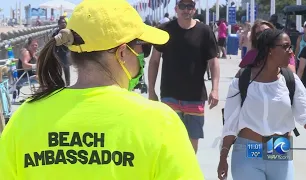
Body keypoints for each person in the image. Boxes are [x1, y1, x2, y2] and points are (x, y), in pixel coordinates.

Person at [0, 0, 204, 179]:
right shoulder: (160, 123)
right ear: (122, 53)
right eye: (142, 48)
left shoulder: (25, 118)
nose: (143, 56)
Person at [217, 29, 306, 180]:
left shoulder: (291, 80)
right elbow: (230, 122)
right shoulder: (242, 80)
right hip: (249, 147)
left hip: (278, 145)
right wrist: (223, 157)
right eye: (286, 47)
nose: (291, 52)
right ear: (270, 50)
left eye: (290, 47)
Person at [148, 0, 220, 153]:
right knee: (169, 141)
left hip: (195, 97)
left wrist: (215, 89)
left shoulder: (205, 31)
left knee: (191, 144)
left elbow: (213, 62)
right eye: (182, 6)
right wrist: (151, 90)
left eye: (190, 6)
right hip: (169, 96)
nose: (186, 10)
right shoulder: (165, 30)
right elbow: (154, 61)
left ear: (194, 9)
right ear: (176, 9)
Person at [52, 17, 71, 86]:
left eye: (65, 23)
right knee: (58, 69)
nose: (63, 24)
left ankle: (68, 83)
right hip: (58, 52)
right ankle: (60, 84)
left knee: (66, 67)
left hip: (66, 52)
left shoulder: (68, 32)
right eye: (62, 23)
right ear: (58, 24)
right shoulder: (55, 33)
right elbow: (52, 43)